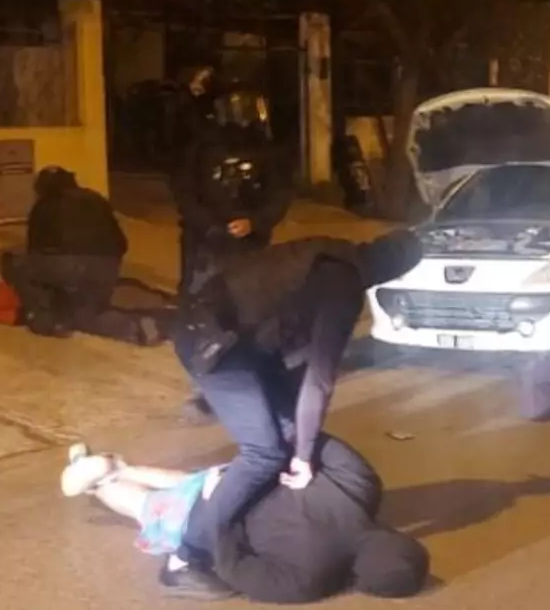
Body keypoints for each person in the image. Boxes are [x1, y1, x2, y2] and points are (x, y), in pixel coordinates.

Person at [166, 230, 424, 600]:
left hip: (222, 332)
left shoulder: (331, 252)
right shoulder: (345, 286)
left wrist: (295, 432)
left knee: (284, 429)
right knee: (264, 452)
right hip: (214, 344)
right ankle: (185, 557)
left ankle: (231, 488)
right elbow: (320, 377)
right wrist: (302, 456)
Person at [59, 435, 430, 603]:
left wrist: (285, 456)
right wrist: (219, 518)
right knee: (146, 506)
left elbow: (316, 439)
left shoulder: (362, 489)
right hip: (211, 517)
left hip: (245, 477)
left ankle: (115, 468)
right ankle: (100, 483)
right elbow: (233, 566)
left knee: (189, 481)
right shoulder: (307, 582)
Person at [173, 76, 293, 414]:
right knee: (204, 312)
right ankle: (207, 383)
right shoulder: (201, 147)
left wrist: (255, 222)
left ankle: (255, 378)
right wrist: (212, 226)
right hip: (206, 245)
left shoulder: (266, 150)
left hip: (249, 245)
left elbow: (280, 194)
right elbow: (185, 193)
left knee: (251, 312)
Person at [8, 166, 160, 344]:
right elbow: (121, 243)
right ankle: (135, 326)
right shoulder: (96, 199)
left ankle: (47, 317)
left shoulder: (44, 205)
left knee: (17, 266)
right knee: (88, 314)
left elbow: (34, 250)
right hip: (106, 267)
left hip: (67, 267)